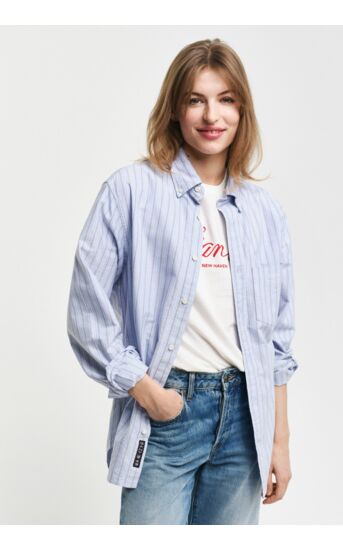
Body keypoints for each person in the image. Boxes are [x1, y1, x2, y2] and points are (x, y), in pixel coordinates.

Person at [66, 37, 300, 525]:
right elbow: (87, 306)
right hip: (167, 412)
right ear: (175, 108)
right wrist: (145, 390)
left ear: (242, 110)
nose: (212, 115)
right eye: (196, 99)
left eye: (226, 99)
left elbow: (275, 340)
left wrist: (278, 440)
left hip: (245, 419)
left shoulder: (265, 213)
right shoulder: (131, 190)